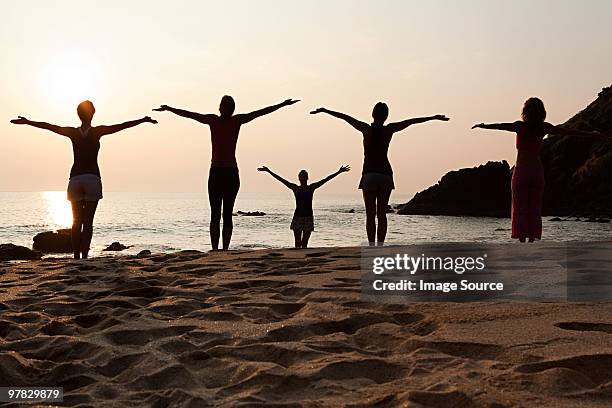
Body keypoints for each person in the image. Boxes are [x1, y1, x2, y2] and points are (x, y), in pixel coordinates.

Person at [10, 100, 157, 259]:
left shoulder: (73, 132)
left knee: (76, 221)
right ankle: (85, 256)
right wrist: (142, 120)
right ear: (93, 114)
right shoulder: (97, 132)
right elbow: (121, 126)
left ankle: (76, 256)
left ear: (78, 115)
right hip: (92, 178)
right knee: (88, 222)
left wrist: (27, 122)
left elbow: (50, 126)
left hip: (76, 179)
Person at [154, 96, 299, 250]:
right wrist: (170, 109)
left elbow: (260, 113)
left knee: (224, 214)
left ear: (225, 108)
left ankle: (222, 249)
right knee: (218, 214)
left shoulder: (233, 120)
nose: (225, 109)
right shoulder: (217, 120)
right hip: (220, 171)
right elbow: (191, 115)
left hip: (227, 172)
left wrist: (282, 104)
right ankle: (217, 249)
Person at [310, 103, 449, 245]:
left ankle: (371, 246)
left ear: (373, 114)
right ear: (386, 116)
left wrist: (325, 111)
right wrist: (433, 117)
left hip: (369, 174)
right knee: (382, 214)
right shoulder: (389, 129)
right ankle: (380, 246)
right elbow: (410, 122)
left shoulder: (366, 129)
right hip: (385, 175)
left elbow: (346, 118)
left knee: (370, 215)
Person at [472, 97, 605, 242]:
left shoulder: (520, 127)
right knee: (535, 206)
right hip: (536, 170)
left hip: (522, 170)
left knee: (520, 204)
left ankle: (521, 237)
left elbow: (500, 126)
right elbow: (568, 131)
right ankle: (532, 237)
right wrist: (592, 134)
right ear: (542, 112)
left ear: (525, 111)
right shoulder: (544, 127)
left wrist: (483, 125)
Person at [258, 165, 350, 248]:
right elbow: (282, 180)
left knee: (305, 243)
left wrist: (338, 172)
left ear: (307, 177)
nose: (303, 176)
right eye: (301, 175)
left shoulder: (311, 188)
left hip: (308, 217)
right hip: (298, 217)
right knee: (297, 243)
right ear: (299, 178)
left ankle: (303, 259)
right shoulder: (295, 188)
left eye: (304, 174)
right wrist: (269, 171)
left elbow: (325, 180)